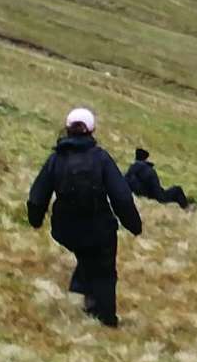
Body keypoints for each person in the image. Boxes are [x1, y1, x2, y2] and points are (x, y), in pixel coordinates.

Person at [27, 107, 143, 326]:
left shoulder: (55, 159)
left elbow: (37, 196)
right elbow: (121, 197)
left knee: (87, 256)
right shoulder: (101, 159)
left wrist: (35, 219)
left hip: (66, 229)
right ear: (92, 130)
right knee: (105, 270)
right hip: (99, 229)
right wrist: (134, 225)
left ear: (68, 129)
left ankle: (85, 296)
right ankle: (106, 319)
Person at [125, 148, 197, 212]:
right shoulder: (149, 171)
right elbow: (157, 190)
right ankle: (186, 207)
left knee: (175, 194)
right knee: (177, 189)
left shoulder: (131, 169)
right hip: (155, 195)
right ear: (145, 158)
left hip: (142, 193)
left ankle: (184, 203)